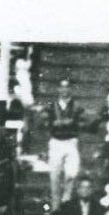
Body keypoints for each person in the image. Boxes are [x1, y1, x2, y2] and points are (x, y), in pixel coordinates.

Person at [46, 79, 84, 207]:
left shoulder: (77, 106)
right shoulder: (51, 106)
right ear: (58, 89)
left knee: (71, 173)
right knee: (55, 176)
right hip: (56, 142)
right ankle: (55, 207)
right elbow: (46, 123)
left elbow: (80, 122)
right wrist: (55, 123)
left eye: (67, 87)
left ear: (71, 89)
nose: (64, 90)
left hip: (70, 141)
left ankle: (66, 202)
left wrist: (69, 123)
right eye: (61, 87)